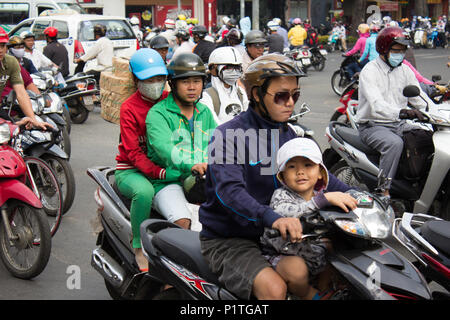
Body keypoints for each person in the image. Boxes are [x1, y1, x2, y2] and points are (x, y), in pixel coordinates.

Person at [199, 53, 352, 300]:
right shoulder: (226, 136)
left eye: (295, 95)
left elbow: (322, 178)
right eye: (281, 95)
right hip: (233, 238)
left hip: (282, 234)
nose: (290, 102)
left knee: (339, 268)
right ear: (257, 94)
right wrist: (273, 218)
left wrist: (360, 196)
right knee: (274, 290)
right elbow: (230, 192)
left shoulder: (291, 135)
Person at [259, 137, 358, 299]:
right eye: (291, 167)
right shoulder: (281, 196)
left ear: (320, 173)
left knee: (336, 251)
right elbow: (285, 212)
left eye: (308, 165)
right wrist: (322, 201)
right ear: (283, 176)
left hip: (315, 252)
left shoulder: (322, 196)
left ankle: (325, 288)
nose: (300, 172)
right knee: (296, 270)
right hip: (283, 254)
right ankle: (310, 295)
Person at [356, 27, 434, 196]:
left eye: (402, 51)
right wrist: (403, 112)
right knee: (394, 143)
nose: (400, 55)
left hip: (399, 124)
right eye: (396, 50)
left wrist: (434, 112)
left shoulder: (405, 70)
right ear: (384, 49)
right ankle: (383, 190)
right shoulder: (370, 71)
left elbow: (420, 98)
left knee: (429, 136)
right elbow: (377, 105)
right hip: (372, 126)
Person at [145, 52, 217, 230]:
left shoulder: (204, 112)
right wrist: (192, 165)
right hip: (168, 182)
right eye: (186, 82)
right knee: (184, 222)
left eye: (197, 81)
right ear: (173, 83)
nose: (192, 87)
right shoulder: (158, 113)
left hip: (200, 181)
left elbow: (220, 143)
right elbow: (165, 149)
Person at [114, 48, 169, 272]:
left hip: (166, 166)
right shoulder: (129, 108)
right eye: (149, 79)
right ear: (136, 79)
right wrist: (158, 172)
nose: (155, 83)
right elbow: (133, 152)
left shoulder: (170, 100)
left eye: (160, 78)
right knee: (144, 193)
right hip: (131, 170)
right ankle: (138, 245)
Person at [0, 27, 50, 130]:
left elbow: (21, 92)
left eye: (2, 46)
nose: (0, 50)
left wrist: (33, 119)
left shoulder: (11, 62)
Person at [200, 46, 248, 124]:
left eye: (237, 67)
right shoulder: (206, 97)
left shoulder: (241, 93)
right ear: (214, 69)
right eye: (229, 67)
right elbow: (215, 126)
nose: (234, 72)